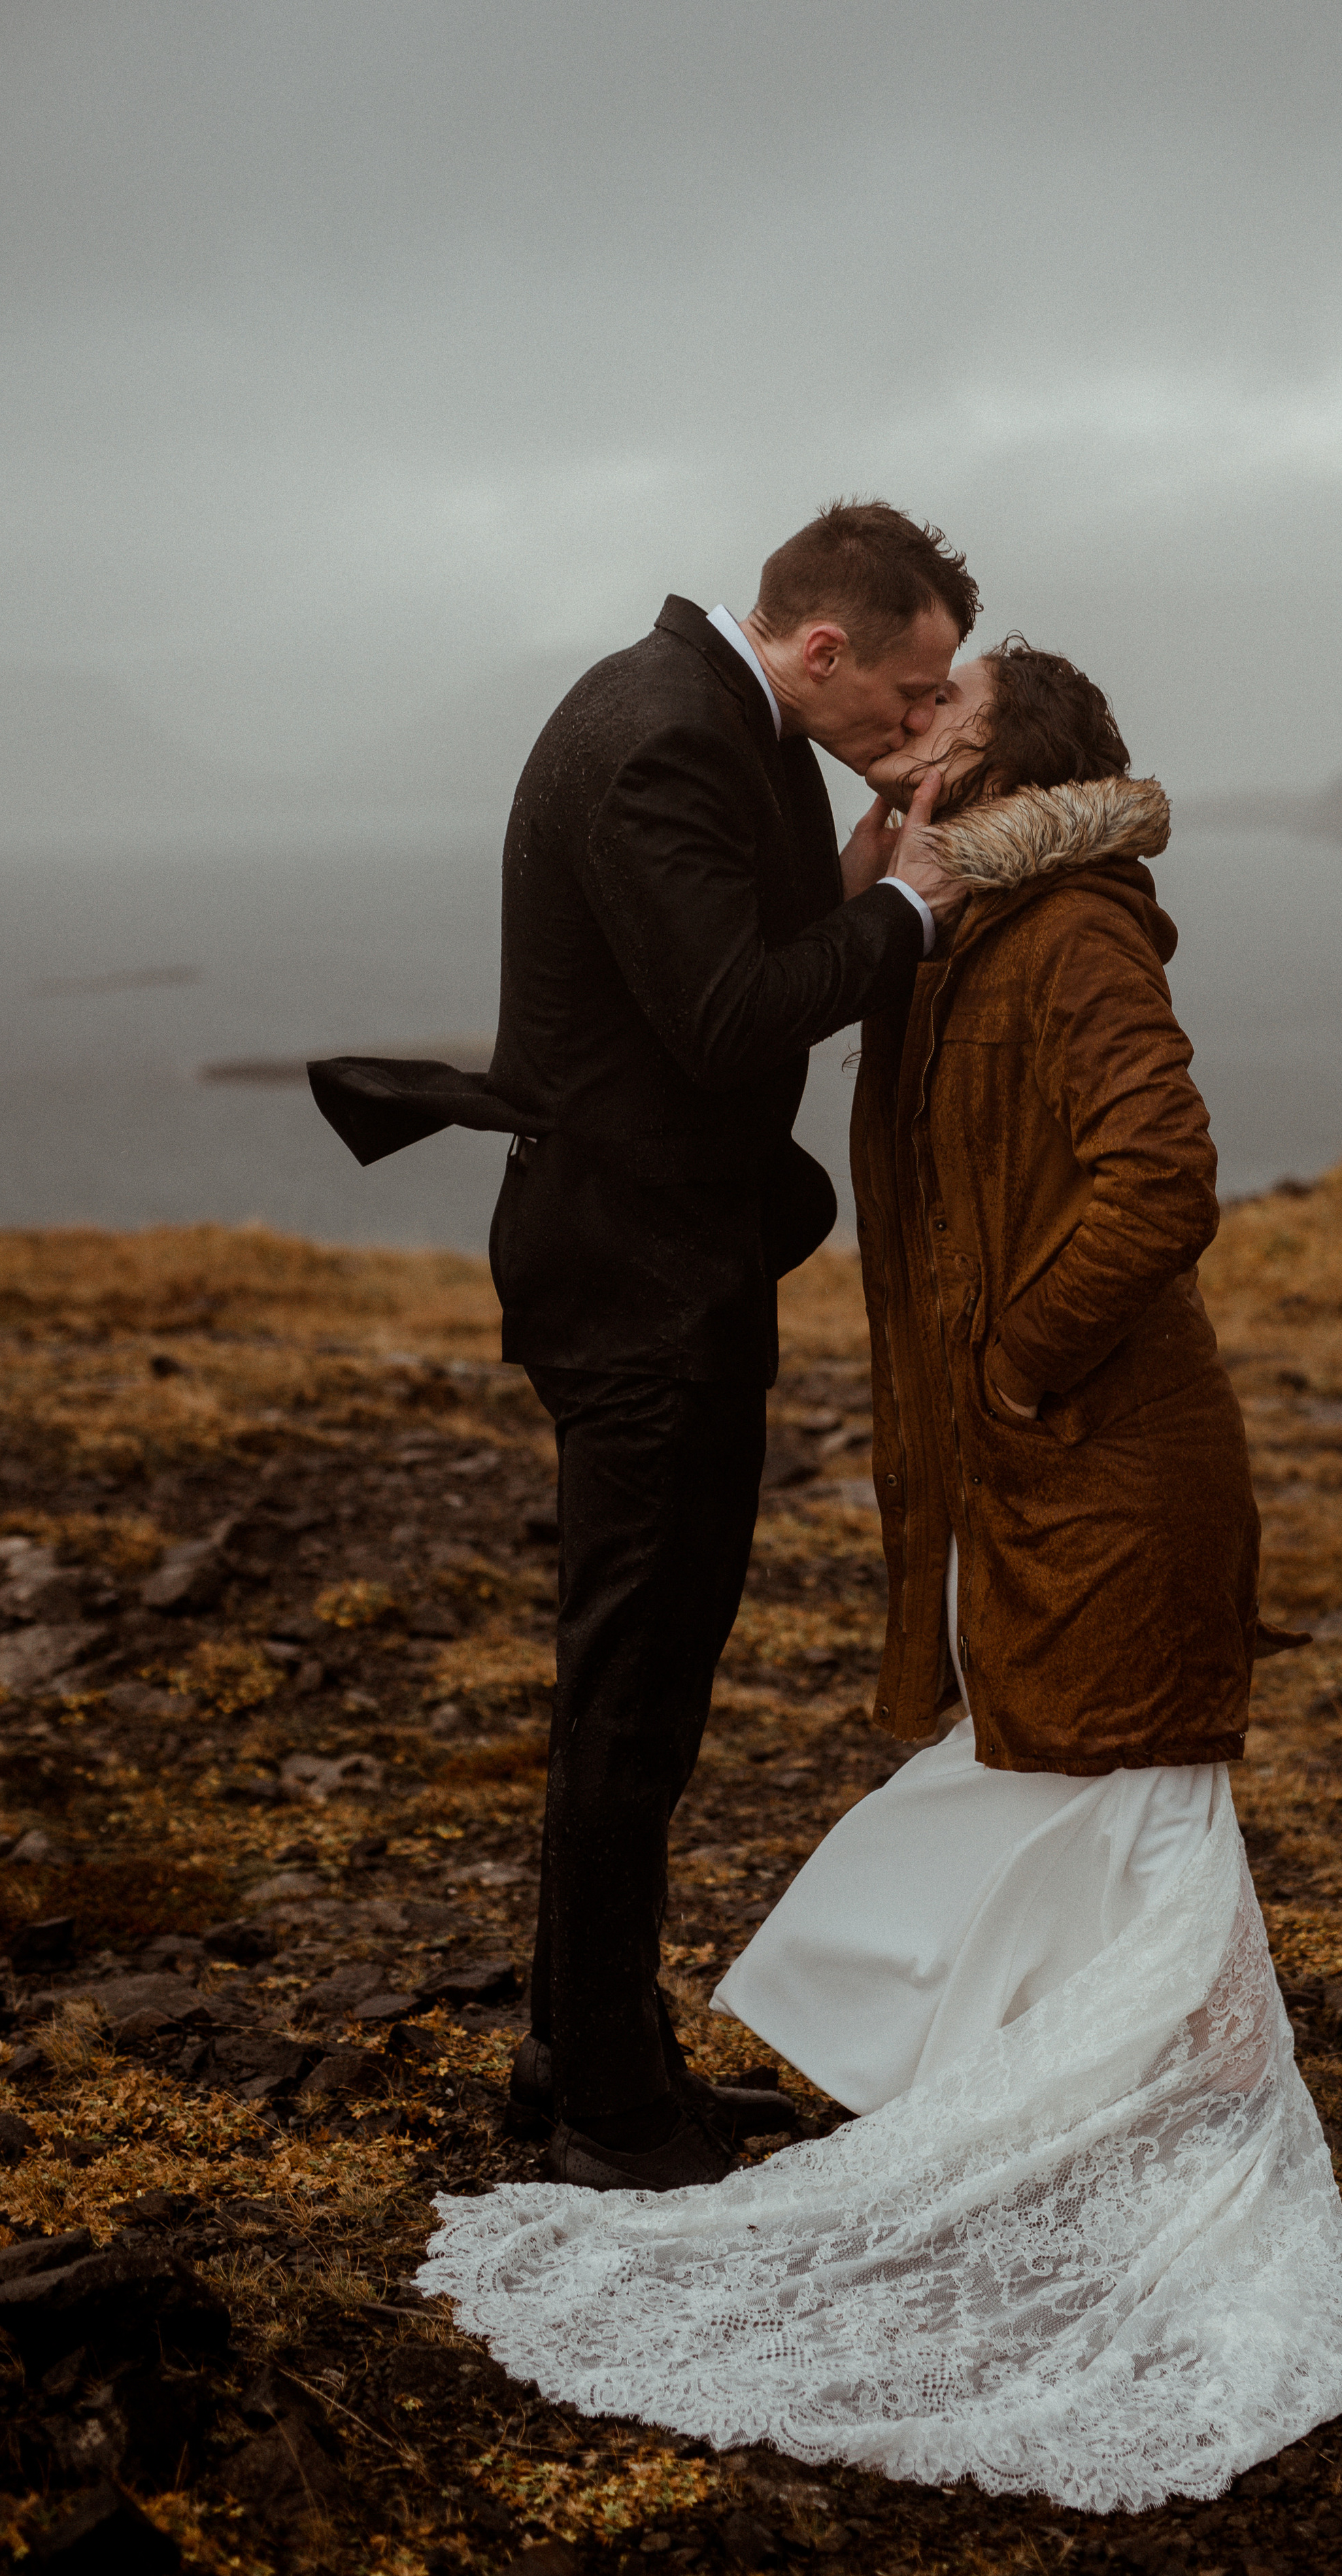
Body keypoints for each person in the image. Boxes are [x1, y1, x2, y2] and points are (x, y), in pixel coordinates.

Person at [418, 641, 1342, 2513]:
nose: (909, 729)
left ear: (1004, 766)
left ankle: (1158, 2177)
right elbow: (751, 1003)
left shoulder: (1075, 934)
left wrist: (1012, 1359)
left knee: (1130, 1819)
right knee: (1067, 1806)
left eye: (950, 716)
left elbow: (1158, 1174)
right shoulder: (973, 930)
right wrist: (875, 885)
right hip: (1034, 1477)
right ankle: (1093, 2149)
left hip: (1099, 1464)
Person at [312, 501, 979, 2192]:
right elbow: (728, 1018)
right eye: (908, 692)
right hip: (631, 1276)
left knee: (650, 1687)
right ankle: (607, 2104)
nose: (914, 719)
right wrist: (913, 906)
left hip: (670, 1256)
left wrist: (885, 836)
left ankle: (581, 2046)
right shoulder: (658, 741)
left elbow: (751, 947)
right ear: (822, 649)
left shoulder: (725, 720)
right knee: (632, 1693)